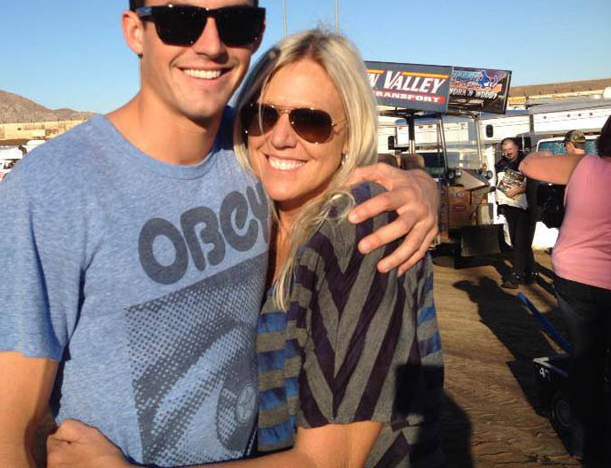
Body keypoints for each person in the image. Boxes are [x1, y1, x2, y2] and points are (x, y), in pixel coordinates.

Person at [0, 0, 439, 468]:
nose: (211, 45)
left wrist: (420, 187)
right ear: (135, 31)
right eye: (180, 20)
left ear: (256, 33)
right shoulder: (51, 188)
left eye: (234, 23)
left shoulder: (252, 152)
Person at [47, 30, 444, 468]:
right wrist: (425, 183)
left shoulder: (362, 230)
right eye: (263, 115)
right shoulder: (256, 210)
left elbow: (331, 460)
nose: (280, 138)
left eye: (310, 121)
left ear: (349, 134)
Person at [520, 116, 611, 464]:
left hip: (575, 275)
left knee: (587, 362)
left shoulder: (583, 165)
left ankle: (587, 447)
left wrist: (548, 154)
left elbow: (528, 164)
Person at [495, 138, 535, 288]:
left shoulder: (527, 162)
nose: (508, 152)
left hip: (526, 207)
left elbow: (534, 184)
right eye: (505, 150)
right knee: (518, 241)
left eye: (510, 149)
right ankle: (531, 272)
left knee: (520, 241)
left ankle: (516, 276)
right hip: (509, 206)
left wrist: (519, 190)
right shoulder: (500, 164)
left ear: (517, 147)